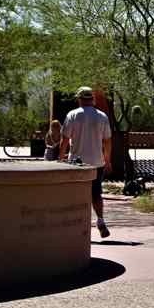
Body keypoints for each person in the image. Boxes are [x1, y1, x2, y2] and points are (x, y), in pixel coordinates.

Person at [59, 86, 113, 238]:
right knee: (96, 193)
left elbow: (65, 140)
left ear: (79, 99)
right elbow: (108, 140)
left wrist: (59, 159)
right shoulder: (102, 116)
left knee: (76, 195)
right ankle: (100, 220)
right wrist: (107, 159)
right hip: (97, 162)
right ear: (92, 99)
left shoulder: (73, 115)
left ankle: (79, 225)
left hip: (77, 164)